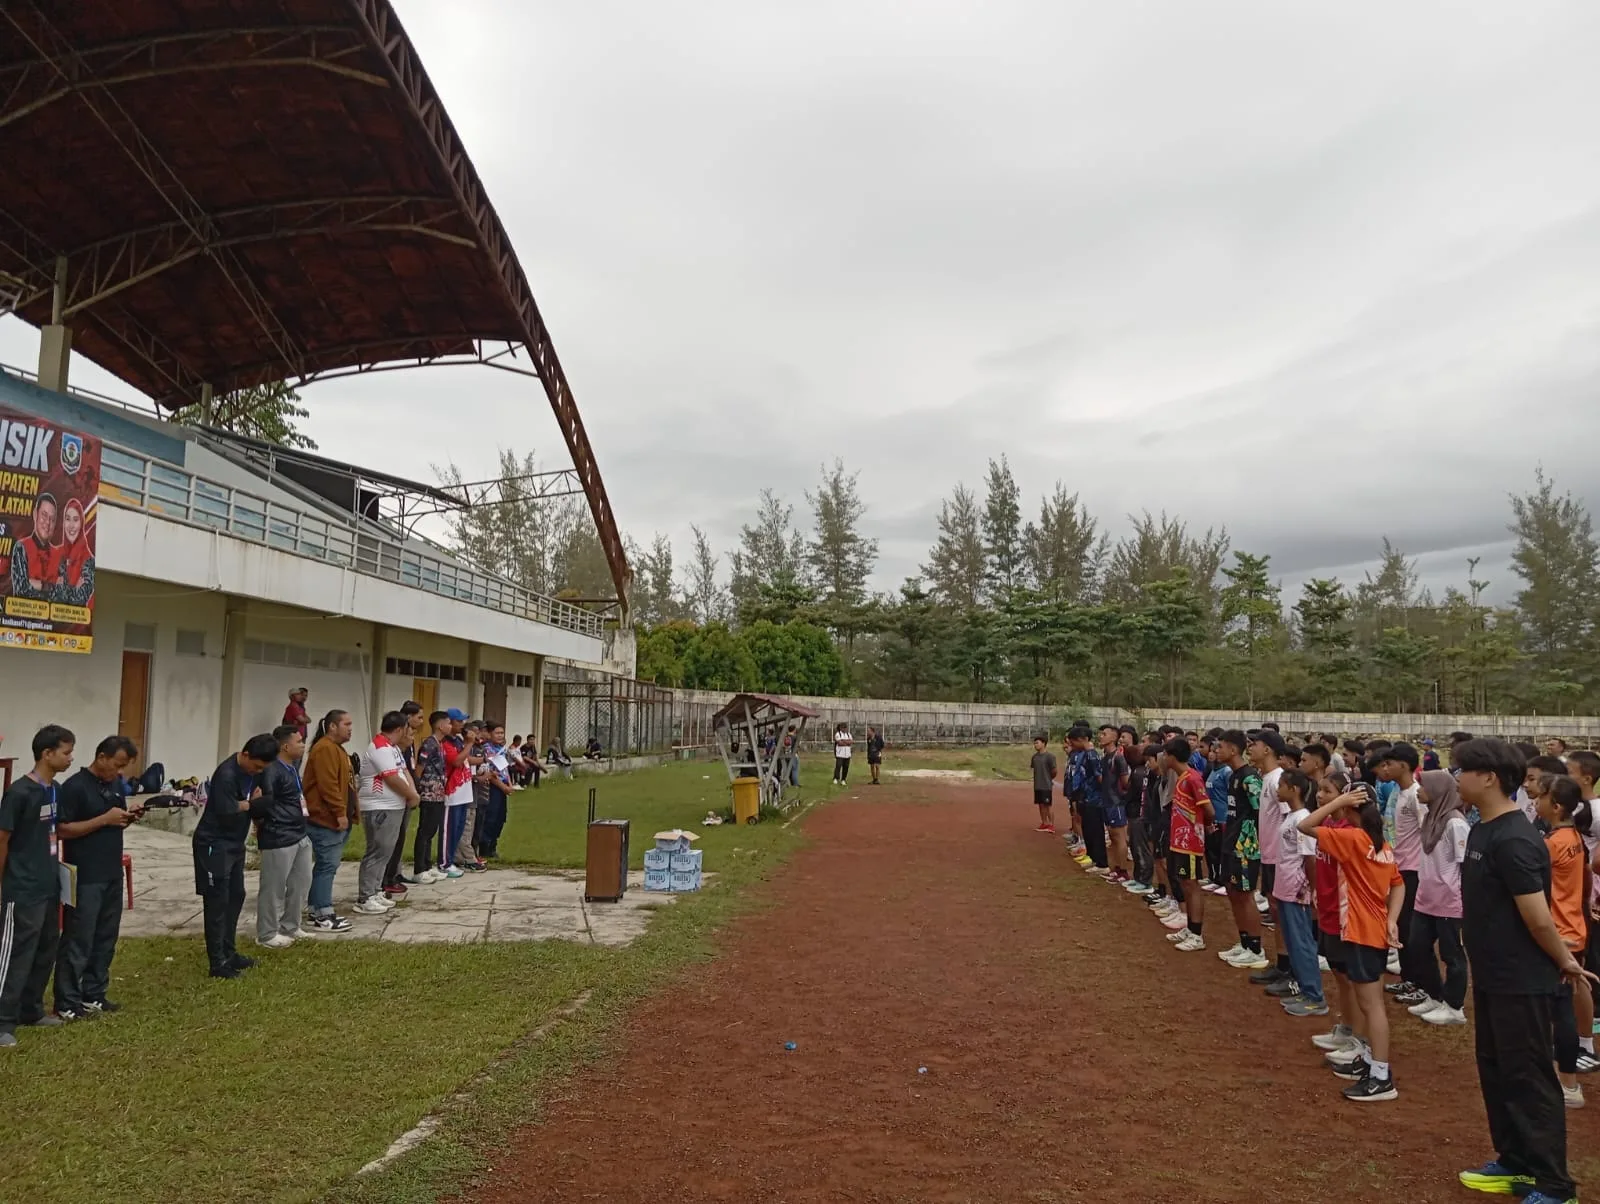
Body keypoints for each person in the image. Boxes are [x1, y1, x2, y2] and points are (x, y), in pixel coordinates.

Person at [1454, 738, 1590, 1204]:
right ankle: (1515, 1161)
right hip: (1492, 975)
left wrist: (1565, 961)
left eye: (1463, 770)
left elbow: (1537, 917)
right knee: (1497, 1070)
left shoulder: (1514, 838)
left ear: (1489, 778)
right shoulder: (1483, 829)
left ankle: (1555, 1185)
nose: (1457, 777)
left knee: (1529, 1077)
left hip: (1521, 980)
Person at [1298, 780, 1405, 1102]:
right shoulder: (1379, 843)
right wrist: (1391, 920)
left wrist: (1336, 803)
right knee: (1369, 1003)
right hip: (1371, 930)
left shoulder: (1354, 839)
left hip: (1360, 932)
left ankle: (1382, 1076)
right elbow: (1398, 884)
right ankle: (1372, 1062)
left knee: (1372, 1006)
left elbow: (1305, 825)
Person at [0, 725, 76, 1046]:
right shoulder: (18, 793)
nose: (70, 758)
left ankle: (30, 1010)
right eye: (66, 752)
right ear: (47, 754)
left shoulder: (54, 789)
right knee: (16, 954)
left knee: (45, 949)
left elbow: (57, 831)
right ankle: (3, 1021)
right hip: (22, 888)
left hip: (48, 885)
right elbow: (2, 840)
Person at [54, 734, 140, 1019]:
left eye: (123, 767)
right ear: (101, 757)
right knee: (79, 937)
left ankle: (94, 993)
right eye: (117, 764)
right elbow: (63, 829)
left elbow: (114, 822)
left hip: (111, 871)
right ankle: (67, 1000)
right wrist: (104, 819)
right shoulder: (75, 787)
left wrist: (126, 818)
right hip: (84, 874)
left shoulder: (114, 785)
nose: (119, 771)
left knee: (106, 936)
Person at [195, 733, 278, 978]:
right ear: (245, 754)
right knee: (217, 900)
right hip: (214, 843)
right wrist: (251, 804)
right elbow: (227, 812)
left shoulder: (259, 770)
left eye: (262, 769)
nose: (258, 772)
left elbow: (269, 801)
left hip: (235, 843)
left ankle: (229, 952)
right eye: (256, 766)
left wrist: (246, 805)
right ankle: (217, 961)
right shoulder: (226, 774)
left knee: (235, 895)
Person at [1541, 776, 1596, 1105]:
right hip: (1573, 928)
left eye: (1542, 796)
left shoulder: (1553, 843)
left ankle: (1568, 1083)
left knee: (1559, 1012)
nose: (1536, 801)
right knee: (1562, 1007)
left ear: (1556, 806)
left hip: (1558, 934)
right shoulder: (1574, 837)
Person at [1406, 770, 1470, 1028]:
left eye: (1423, 786)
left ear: (1438, 791)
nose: (1419, 791)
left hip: (1449, 900)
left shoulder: (1455, 823)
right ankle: (1434, 995)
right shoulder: (1430, 818)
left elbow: (1465, 864)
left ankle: (1454, 1007)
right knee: (1417, 946)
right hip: (1426, 896)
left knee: (1452, 955)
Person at [1271, 769, 1327, 1016]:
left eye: (1281, 785)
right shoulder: (1292, 816)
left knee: (1302, 941)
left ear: (1294, 790)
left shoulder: (1303, 818)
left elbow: (1310, 859)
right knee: (1294, 941)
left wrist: (1313, 890)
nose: (1277, 790)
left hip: (1296, 889)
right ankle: (1304, 989)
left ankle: (1315, 996)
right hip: (1286, 887)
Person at [251, 725, 312, 949]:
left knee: (301, 882)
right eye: (299, 742)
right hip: (279, 835)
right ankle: (267, 933)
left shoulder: (292, 767)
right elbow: (262, 802)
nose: (303, 745)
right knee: (273, 887)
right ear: (285, 746)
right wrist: (262, 824)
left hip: (299, 832)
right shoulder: (271, 770)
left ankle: (291, 925)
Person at [1377, 744, 1427, 1006]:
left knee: (1408, 927)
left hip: (1412, 868)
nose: (1385, 769)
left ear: (1404, 766)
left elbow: (1426, 832)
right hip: (1397, 865)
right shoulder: (1398, 792)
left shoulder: (1416, 795)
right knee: (1401, 924)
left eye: (1390, 764)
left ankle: (1418, 981)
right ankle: (1408, 977)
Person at [355, 712, 420, 914]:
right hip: (380, 807)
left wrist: (412, 793)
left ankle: (375, 890)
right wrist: (411, 795)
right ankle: (365, 896)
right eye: (407, 729)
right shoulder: (380, 748)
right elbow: (391, 778)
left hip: (393, 806)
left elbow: (404, 771)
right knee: (377, 851)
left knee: (386, 852)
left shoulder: (393, 748)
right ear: (399, 729)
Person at [1214, 730, 1266, 972]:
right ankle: (1244, 942)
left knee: (1245, 895)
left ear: (1233, 750)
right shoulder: (1234, 776)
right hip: (1231, 842)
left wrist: (1252, 844)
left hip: (1245, 846)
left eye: (1221, 747)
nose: (1217, 751)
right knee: (1232, 891)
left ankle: (1256, 949)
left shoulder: (1250, 778)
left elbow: (1260, 813)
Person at [302, 710, 355, 933]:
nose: (350, 729)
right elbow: (328, 785)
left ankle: (316, 908)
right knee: (327, 865)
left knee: (326, 866)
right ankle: (323, 912)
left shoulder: (337, 749)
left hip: (335, 818)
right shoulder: (325, 748)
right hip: (325, 819)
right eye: (346, 724)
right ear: (332, 726)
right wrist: (339, 813)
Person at [1164, 737, 1212, 953]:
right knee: (1185, 883)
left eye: (1166, 755)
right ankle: (1190, 928)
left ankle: (1197, 934)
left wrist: (1199, 827)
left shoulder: (1193, 778)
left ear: (1172, 757)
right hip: (1179, 840)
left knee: (1192, 886)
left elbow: (1209, 810)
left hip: (1190, 841)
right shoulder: (1182, 778)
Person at [382, 701, 427, 898]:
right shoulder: (391, 747)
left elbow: (408, 767)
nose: (421, 722)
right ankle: (387, 878)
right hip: (397, 796)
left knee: (401, 836)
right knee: (393, 838)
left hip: (407, 792)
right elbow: (398, 772)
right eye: (419, 717)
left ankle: (396, 873)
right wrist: (410, 791)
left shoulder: (406, 743)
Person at [412, 711, 451, 882]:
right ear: (440, 726)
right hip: (429, 793)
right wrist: (417, 789)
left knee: (432, 830)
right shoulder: (429, 744)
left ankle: (427, 866)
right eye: (448, 723)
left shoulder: (439, 744)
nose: (450, 726)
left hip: (438, 793)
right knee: (425, 831)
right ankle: (419, 869)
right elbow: (419, 768)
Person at [1067, 725, 1107, 872]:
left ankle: (1101, 863)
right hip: (1084, 797)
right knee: (1088, 831)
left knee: (1095, 832)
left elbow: (1099, 776)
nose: (1071, 745)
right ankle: (1093, 858)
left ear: (1082, 739)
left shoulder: (1092, 754)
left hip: (1094, 799)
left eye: (1073, 741)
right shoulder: (1081, 754)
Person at [1097, 724, 1131, 883]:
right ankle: (1117, 868)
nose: (1100, 736)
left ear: (1113, 738)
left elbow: (1125, 782)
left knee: (1119, 837)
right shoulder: (1105, 757)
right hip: (1107, 801)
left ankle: (1123, 872)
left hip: (1116, 802)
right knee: (1113, 836)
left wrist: (1122, 798)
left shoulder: (1118, 757)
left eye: (1104, 734)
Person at [8, 492, 57, 599]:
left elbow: (65, 593)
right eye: (44, 515)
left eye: (52, 519)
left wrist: (36, 585)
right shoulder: (21, 547)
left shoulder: (58, 555)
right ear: (35, 514)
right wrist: (49, 587)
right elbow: (22, 590)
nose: (48, 523)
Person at [1029, 735, 1056, 834]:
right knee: (1040, 805)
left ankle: (1051, 825)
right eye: (1034, 743)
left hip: (1046, 785)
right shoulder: (1034, 757)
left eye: (1037, 743)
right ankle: (1044, 823)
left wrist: (1049, 779)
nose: (1035, 745)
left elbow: (1054, 771)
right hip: (1037, 785)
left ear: (1043, 743)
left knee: (1047, 805)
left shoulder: (1050, 757)